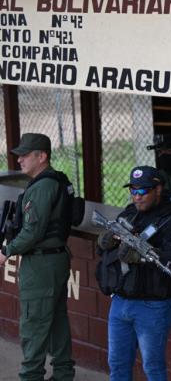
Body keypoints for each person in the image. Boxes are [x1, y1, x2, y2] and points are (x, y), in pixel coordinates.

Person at [95, 166, 171, 381]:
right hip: (120, 301)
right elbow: (105, 247)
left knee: (153, 369)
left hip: (152, 305)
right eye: (133, 191)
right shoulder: (129, 213)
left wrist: (143, 256)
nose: (137, 197)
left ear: (158, 189)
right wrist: (105, 241)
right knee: (117, 365)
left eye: (143, 191)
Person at [0, 133, 76, 381]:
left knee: (33, 323)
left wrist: (6, 251)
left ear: (41, 156)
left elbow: (32, 232)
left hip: (42, 263)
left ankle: (30, 377)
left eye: (25, 154)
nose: (19, 159)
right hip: (53, 259)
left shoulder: (43, 186)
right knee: (56, 321)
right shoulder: (54, 181)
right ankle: (63, 374)